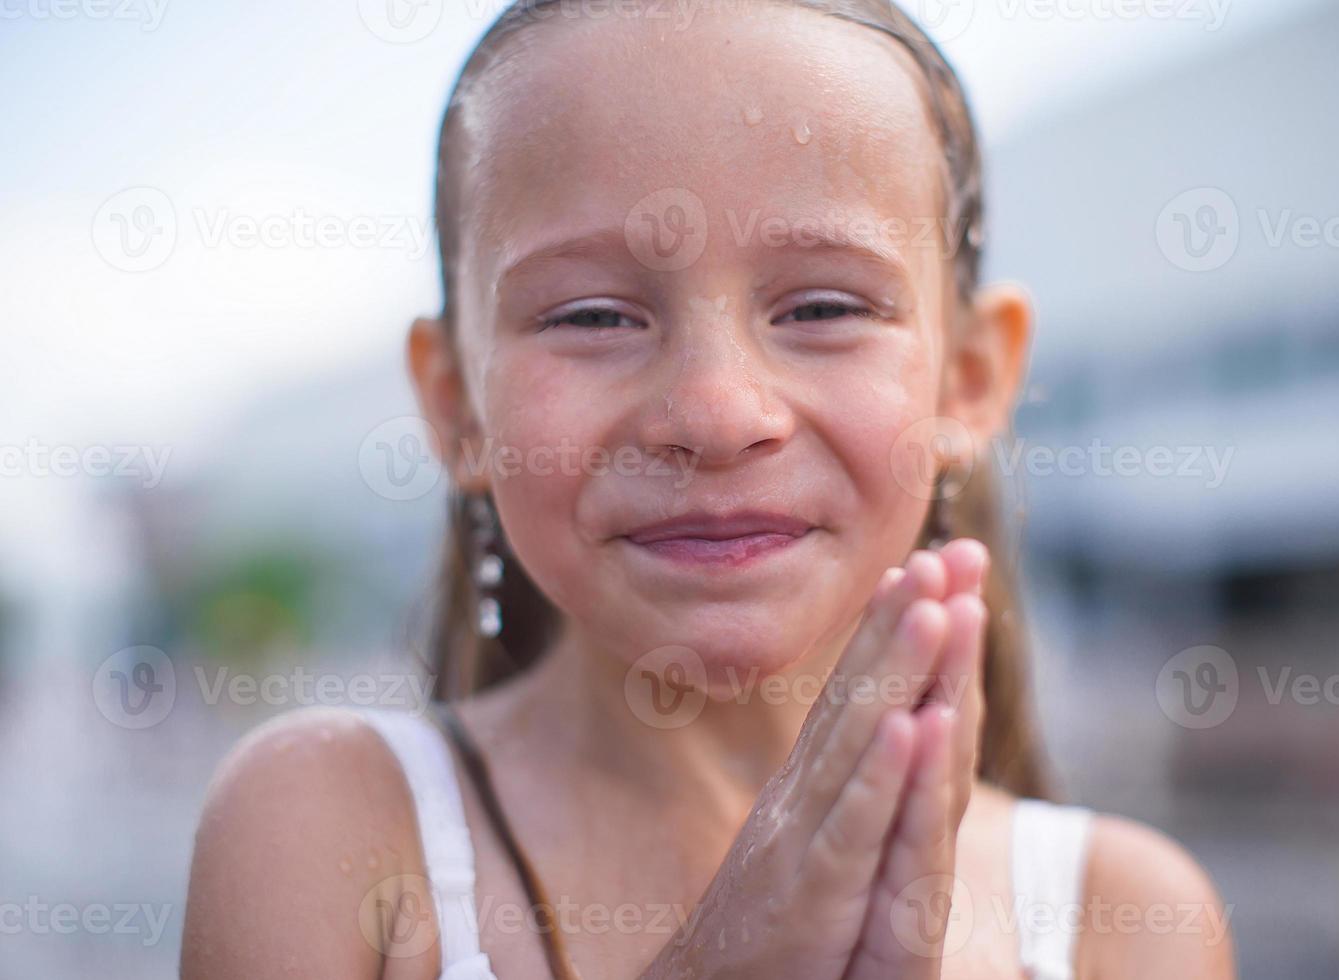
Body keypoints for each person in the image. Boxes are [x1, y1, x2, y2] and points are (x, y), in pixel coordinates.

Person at [182, 1, 1235, 977]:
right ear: (458, 405)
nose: (717, 413)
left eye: (823, 304)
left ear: (968, 377)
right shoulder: (329, 828)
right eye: (591, 315)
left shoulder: (1123, 919)